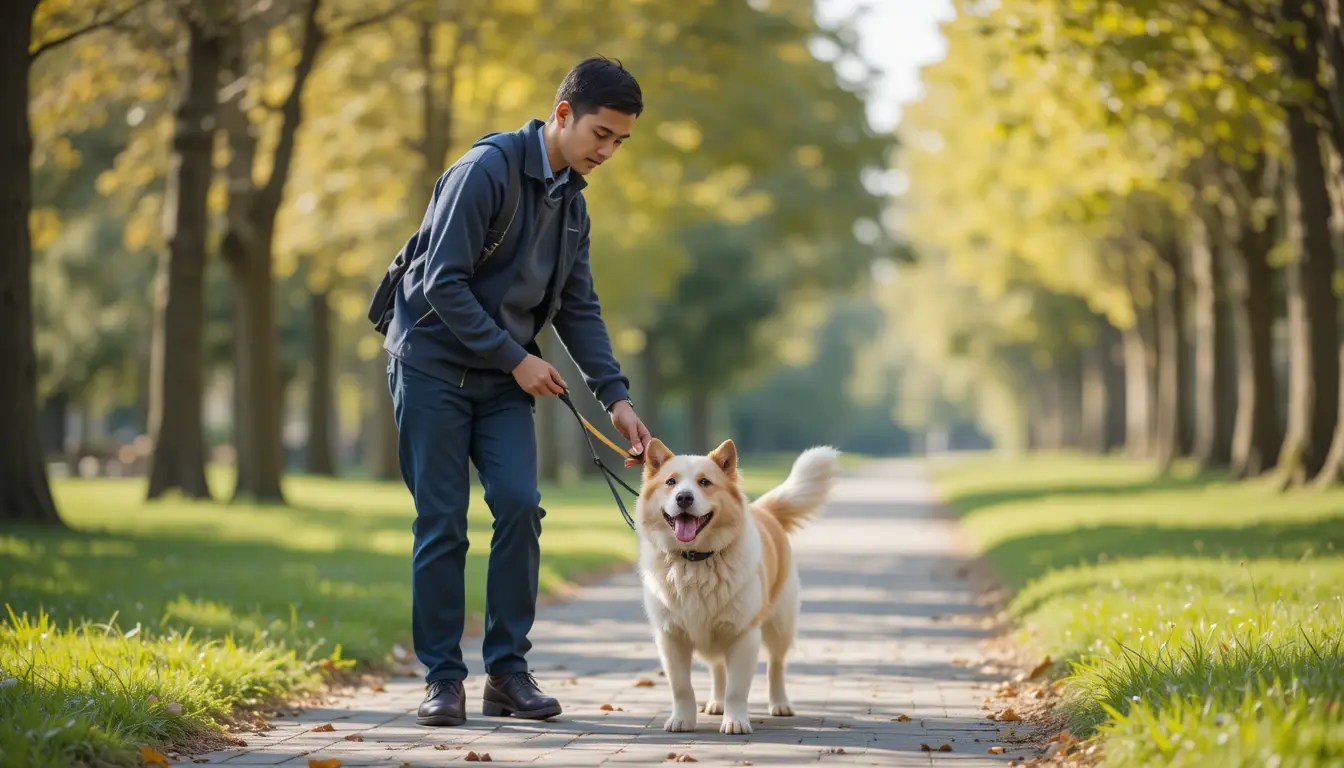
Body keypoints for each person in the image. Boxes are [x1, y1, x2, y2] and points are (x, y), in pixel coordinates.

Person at [381, 56, 653, 726]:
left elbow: (578, 309)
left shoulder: (572, 207)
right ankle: (443, 678)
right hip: (431, 367)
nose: (608, 151)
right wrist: (516, 359)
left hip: (503, 379)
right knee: (442, 524)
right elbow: (440, 283)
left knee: (521, 506)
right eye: (601, 133)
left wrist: (616, 399)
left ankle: (507, 673)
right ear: (562, 114)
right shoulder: (486, 172)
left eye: (620, 141)